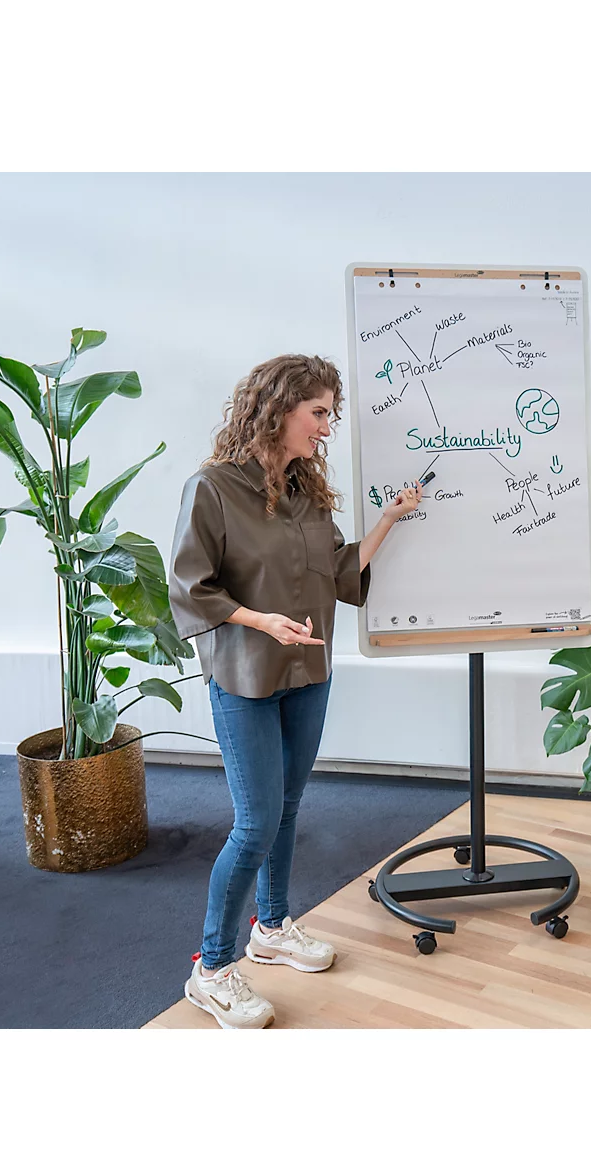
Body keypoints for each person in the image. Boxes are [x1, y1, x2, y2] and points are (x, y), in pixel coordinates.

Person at [169, 353, 419, 1029]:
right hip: (245, 678)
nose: (327, 427)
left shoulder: (308, 494)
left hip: (309, 674)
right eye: (319, 413)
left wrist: (390, 520)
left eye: (330, 414)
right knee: (254, 824)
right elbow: (192, 588)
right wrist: (258, 621)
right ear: (279, 409)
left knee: (286, 808)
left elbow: (339, 573)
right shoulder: (212, 489)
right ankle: (212, 969)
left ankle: (272, 927)